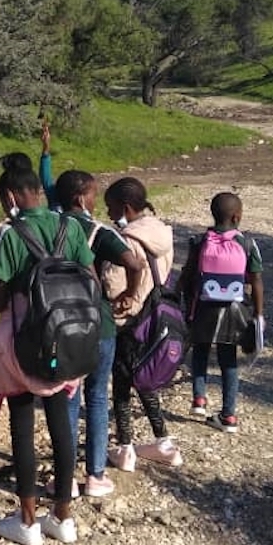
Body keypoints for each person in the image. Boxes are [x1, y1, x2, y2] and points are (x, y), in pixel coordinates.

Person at [0, 154, 95, 545]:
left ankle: (27, 521)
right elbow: (90, 279)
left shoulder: (10, 234)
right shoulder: (70, 227)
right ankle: (62, 516)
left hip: (25, 343)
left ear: (11, 196)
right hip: (68, 340)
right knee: (62, 422)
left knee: (23, 425)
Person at [53, 169, 144, 497]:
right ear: (81, 198)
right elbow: (135, 264)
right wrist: (128, 295)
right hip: (98, 324)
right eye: (93, 194)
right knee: (96, 395)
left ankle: (64, 478)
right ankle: (95, 475)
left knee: (67, 395)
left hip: (59, 325)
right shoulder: (97, 231)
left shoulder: (49, 226)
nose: (96, 200)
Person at [102, 176, 182, 470]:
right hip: (156, 317)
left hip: (129, 321)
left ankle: (125, 448)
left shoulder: (125, 241)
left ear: (125, 208)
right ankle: (164, 442)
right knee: (145, 380)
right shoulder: (162, 233)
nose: (109, 215)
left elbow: (112, 286)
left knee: (122, 385)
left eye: (110, 209)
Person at [178, 192, 264, 433]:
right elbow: (256, 281)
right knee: (228, 361)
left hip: (203, 306)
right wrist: (258, 314)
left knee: (200, 351)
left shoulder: (199, 241)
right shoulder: (247, 243)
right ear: (237, 217)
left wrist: (180, 300)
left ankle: (199, 399)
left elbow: (187, 274)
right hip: (234, 311)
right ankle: (229, 416)